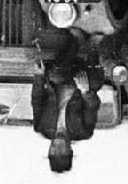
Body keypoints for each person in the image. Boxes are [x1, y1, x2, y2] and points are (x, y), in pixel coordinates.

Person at [32, 29, 104, 173]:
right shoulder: (83, 132)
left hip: (59, 80)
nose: (56, 147)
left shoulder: (42, 128)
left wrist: (38, 76)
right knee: (95, 83)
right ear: (70, 151)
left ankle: (76, 41)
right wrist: (85, 91)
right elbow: (92, 106)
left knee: (56, 75)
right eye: (62, 152)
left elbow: (37, 99)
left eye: (53, 151)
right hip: (80, 86)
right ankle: (92, 45)